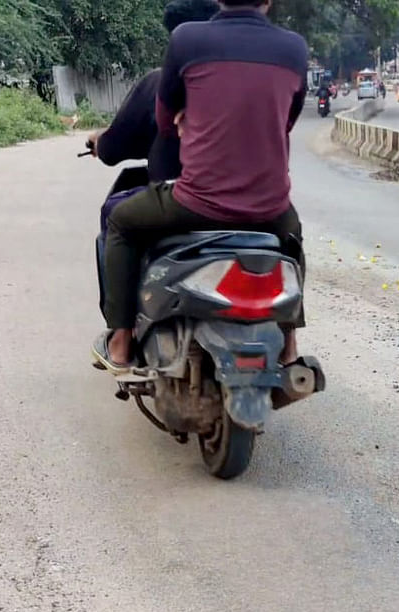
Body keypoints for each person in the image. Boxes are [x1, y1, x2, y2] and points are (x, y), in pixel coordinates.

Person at [93, 0, 308, 372]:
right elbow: (286, 121)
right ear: (269, 1)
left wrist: (185, 121)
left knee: (122, 222)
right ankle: (290, 345)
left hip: (196, 201)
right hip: (270, 208)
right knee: (292, 238)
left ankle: (121, 340)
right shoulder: (294, 48)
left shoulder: (186, 40)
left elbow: (162, 122)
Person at [88, 0, 219, 315]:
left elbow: (115, 147)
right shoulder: (248, 80)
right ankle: (289, 344)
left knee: (115, 216)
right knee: (289, 237)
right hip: (256, 202)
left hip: (185, 200)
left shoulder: (161, 81)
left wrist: (100, 142)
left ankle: (121, 333)